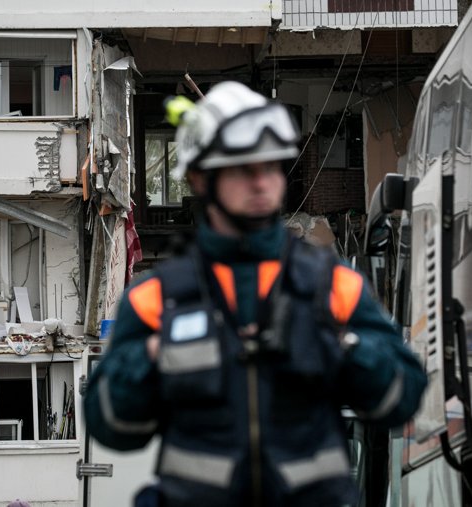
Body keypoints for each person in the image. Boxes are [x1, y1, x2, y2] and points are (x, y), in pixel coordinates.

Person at [83, 81, 427, 507]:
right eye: (243, 168)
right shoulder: (157, 299)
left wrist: (344, 345)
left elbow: (405, 397)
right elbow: (107, 424)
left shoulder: (331, 286)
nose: (262, 181)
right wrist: (154, 356)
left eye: (271, 166)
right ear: (200, 177)